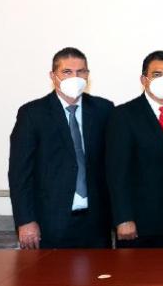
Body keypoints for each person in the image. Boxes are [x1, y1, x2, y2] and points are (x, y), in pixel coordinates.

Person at [8, 47, 114, 249]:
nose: (75, 77)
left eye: (81, 72)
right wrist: (25, 220)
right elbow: (19, 173)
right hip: (50, 223)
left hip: (96, 223)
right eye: (67, 72)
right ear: (53, 76)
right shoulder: (32, 114)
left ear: (88, 75)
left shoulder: (104, 109)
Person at [106, 50, 163, 247]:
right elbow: (117, 172)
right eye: (156, 74)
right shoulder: (124, 115)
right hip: (140, 220)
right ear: (144, 79)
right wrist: (123, 218)